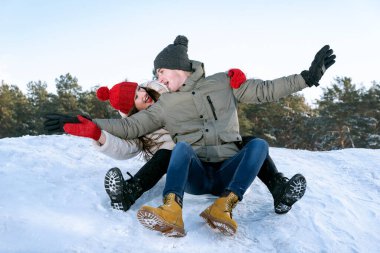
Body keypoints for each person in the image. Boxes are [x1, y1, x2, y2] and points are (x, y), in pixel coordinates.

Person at [45, 35, 335, 237]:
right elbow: (130, 128)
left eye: (160, 71)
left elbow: (265, 90)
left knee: (257, 143)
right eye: (155, 74)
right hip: (196, 174)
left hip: (226, 171)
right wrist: (86, 122)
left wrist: (306, 78)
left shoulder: (223, 81)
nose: (158, 78)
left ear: (179, 67)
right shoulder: (164, 105)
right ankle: (171, 210)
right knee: (179, 149)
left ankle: (225, 206)